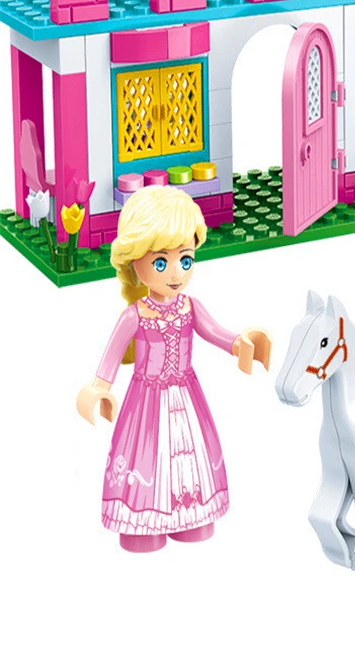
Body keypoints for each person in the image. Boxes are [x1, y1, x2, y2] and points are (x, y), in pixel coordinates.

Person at [76, 186, 272, 553]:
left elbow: (217, 334)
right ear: (135, 262)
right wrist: (99, 389)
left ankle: (192, 518)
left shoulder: (189, 307)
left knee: (191, 455)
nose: (176, 273)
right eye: (160, 263)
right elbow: (111, 359)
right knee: (146, 455)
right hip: (146, 400)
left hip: (185, 394)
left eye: (185, 259)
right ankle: (143, 527)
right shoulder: (135, 315)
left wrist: (242, 343)